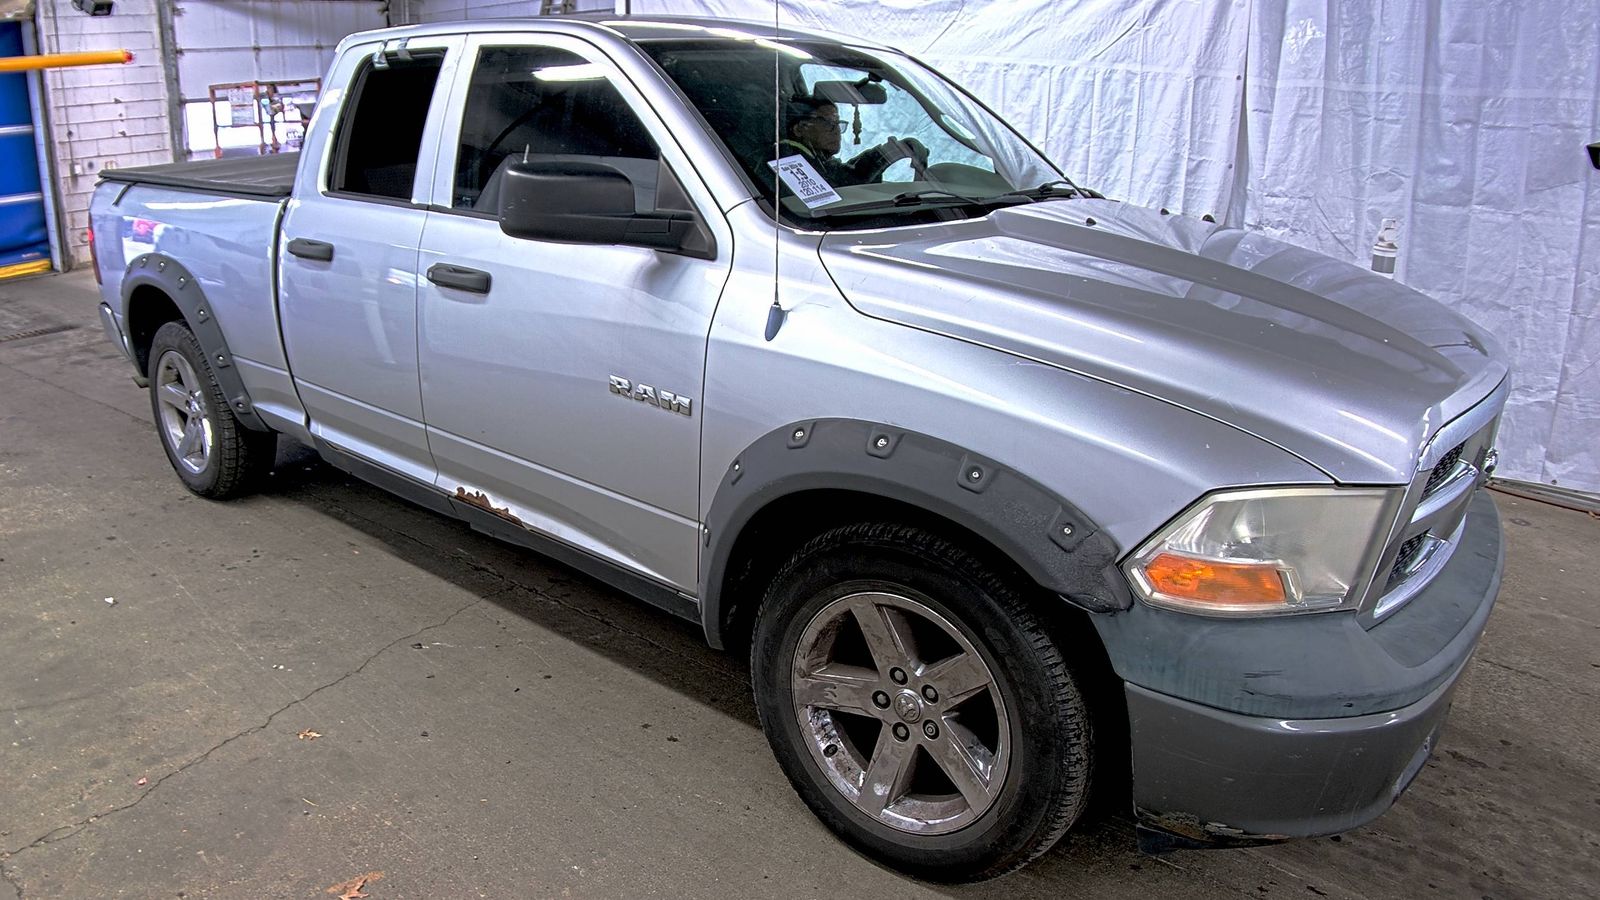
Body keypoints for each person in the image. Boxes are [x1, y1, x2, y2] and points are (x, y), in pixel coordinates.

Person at [776, 95, 928, 187]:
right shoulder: (787, 159)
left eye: (838, 124)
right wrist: (883, 157)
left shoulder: (814, 158)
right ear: (800, 129)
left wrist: (886, 153)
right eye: (828, 123)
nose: (836, 131)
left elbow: (844, 172)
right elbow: (841, 185)